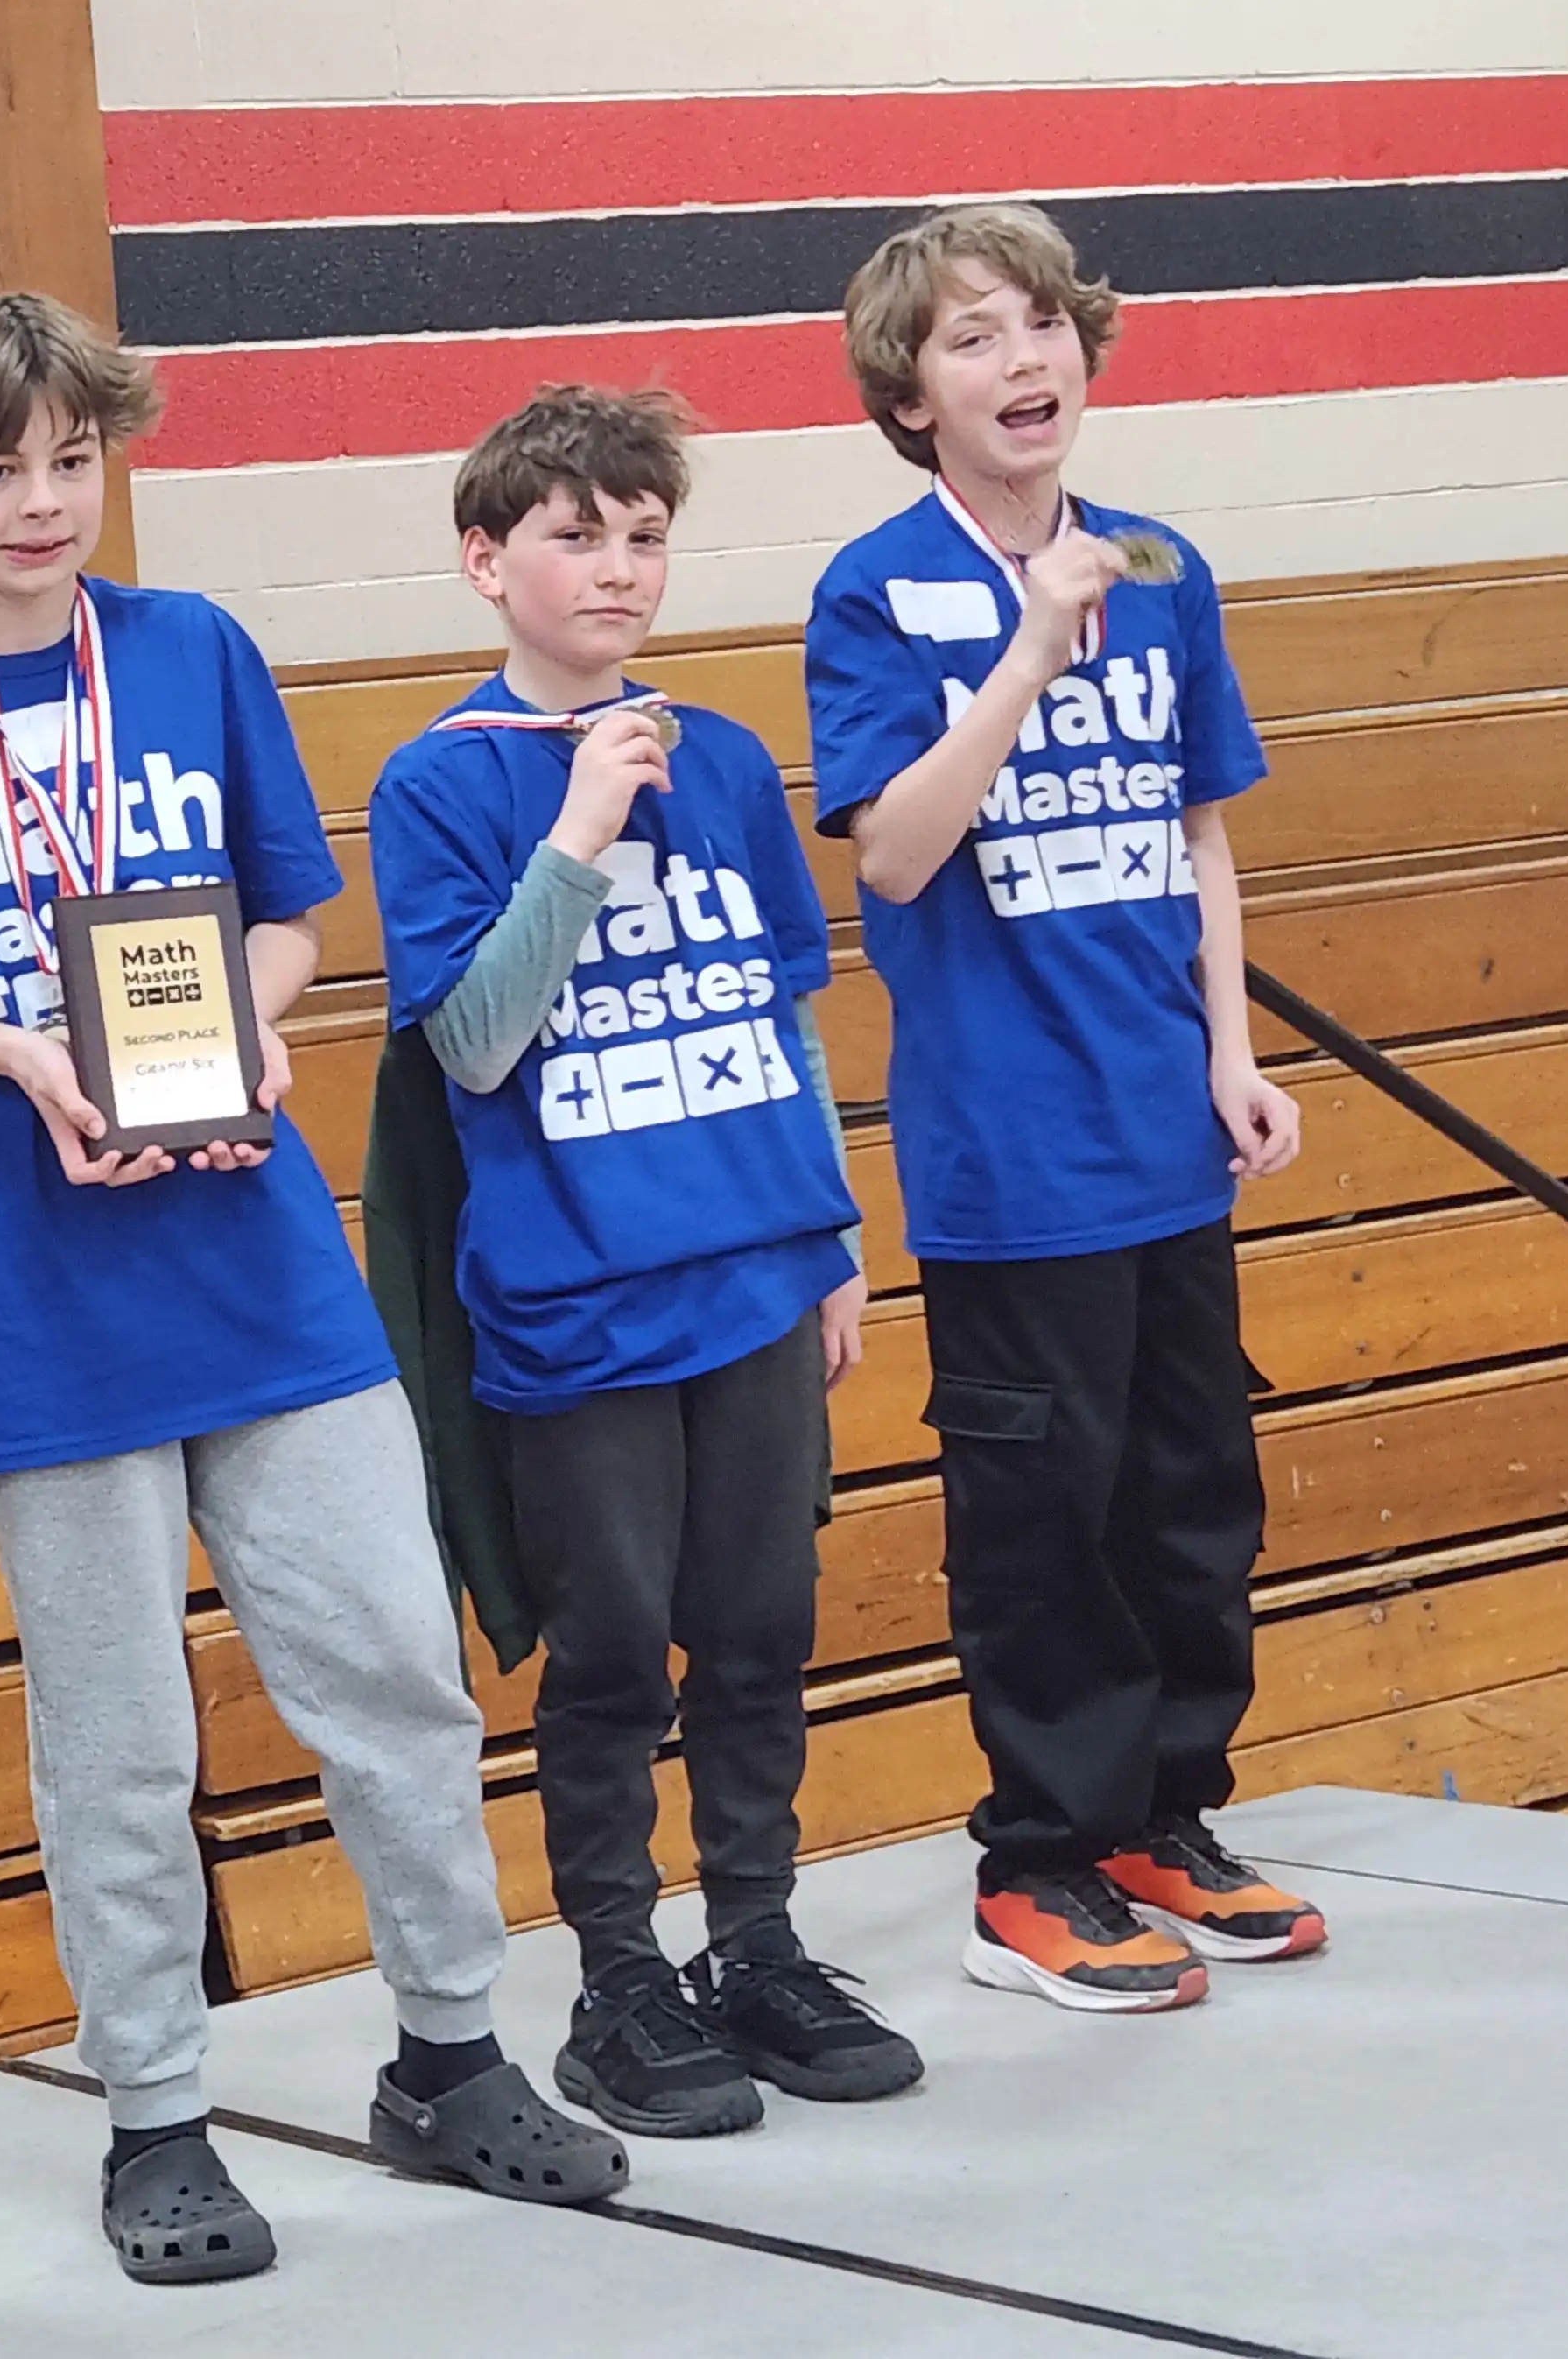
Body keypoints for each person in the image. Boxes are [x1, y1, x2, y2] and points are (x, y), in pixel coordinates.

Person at [0, 290, 625, 2289]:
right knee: (116, 1741)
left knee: (395, 1671)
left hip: (261, 1268)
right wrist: (19, 1057)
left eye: (73, 459)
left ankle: (444, 2052)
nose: (42, 500)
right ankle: (151, 2115)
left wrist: (238, 1039)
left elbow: (290, 921)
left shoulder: (194, 650)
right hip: (35, 1288)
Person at [368, 384, 926, 2136]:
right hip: (573, 1296)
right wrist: (578, 832)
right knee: (608, 1649)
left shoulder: (733, 761)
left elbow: (773, 1014)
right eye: (571, 533)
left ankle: (751, 1939)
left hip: (752, 1272)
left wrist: (828, 1231)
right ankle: (616, 1971)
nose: (616, 568)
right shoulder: (439, 781)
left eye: (641, 534)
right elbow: (470, 1040)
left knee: (758, 1627)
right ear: (484, 560)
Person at [804, 203, 1326, 2014]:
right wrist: (1022, 658)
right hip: (1008, 1155)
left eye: (1039, 325)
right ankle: (1031, 1858)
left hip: (1159, 1126)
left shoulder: (1162, 567)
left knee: (1191, 1496)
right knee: (1043, 1512)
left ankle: (1159, 1818)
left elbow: (1197, 828)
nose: (1020, 361)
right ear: (906, 395)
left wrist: (1225, 1051)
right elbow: (888, 849)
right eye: (969, 338)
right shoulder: (877, 590)